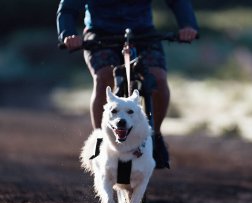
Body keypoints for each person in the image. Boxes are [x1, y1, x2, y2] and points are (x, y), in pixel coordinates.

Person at [56, 0, 199, 169]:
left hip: (143, 34)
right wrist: (67, 33)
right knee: (104, 78)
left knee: (158, 79)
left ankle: (155, 136)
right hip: (100, 34)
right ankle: (101, 140)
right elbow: (68, 9)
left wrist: (188, 25)